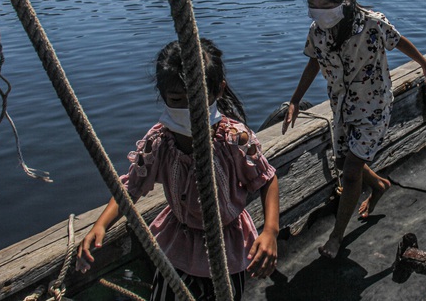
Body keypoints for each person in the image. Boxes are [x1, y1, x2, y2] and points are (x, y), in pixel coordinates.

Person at [77, 38, 279, 301]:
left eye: (197, 99)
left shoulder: (234, 139)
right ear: (163, 96)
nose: (188, 109)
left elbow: (266, 180)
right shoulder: (159, 142)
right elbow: (131, 187)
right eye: (176, 99)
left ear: (218, 91)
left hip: (227, 243)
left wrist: (270, 231)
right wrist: (101, 225)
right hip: (179, 241)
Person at [282, 0, 426, 259]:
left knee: (351, 173)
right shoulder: (317, 32)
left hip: (374, 107)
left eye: (326, 4)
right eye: (313, 5)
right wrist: (295, 99)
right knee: (345, 164)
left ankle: (336, 237)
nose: (319, 11)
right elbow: (314, 61)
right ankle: (379, 185)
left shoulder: (372, 24)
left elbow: (399, 42)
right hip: (341, 108)